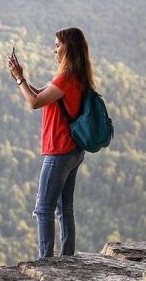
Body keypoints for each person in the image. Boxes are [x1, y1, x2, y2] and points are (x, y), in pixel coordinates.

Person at [7, 27, 94, 259]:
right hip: (74, 150)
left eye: (57, 45)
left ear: (69, 48)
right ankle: (67, 259)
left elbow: (34, 102)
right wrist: (22, 77)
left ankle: (45, 262)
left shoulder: (66, 78)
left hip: (59, 150)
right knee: (64, 209)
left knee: (43, 209)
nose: (54, 49)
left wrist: (18, 79)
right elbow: (43, 95)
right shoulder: (76, 76)